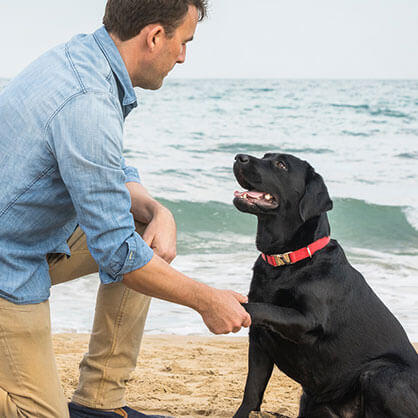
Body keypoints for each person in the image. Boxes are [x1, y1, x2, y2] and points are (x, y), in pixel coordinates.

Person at [0, 0, 251, 417]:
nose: (184, 56)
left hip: (24, 233)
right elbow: (117, 252)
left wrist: (157, 210)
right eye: (183, 42)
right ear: (154, 37)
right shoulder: (87, 99)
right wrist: (205, 299)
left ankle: (98, 404)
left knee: (140, 230)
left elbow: (107, 169)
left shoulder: (84, 58)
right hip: (9, 262)